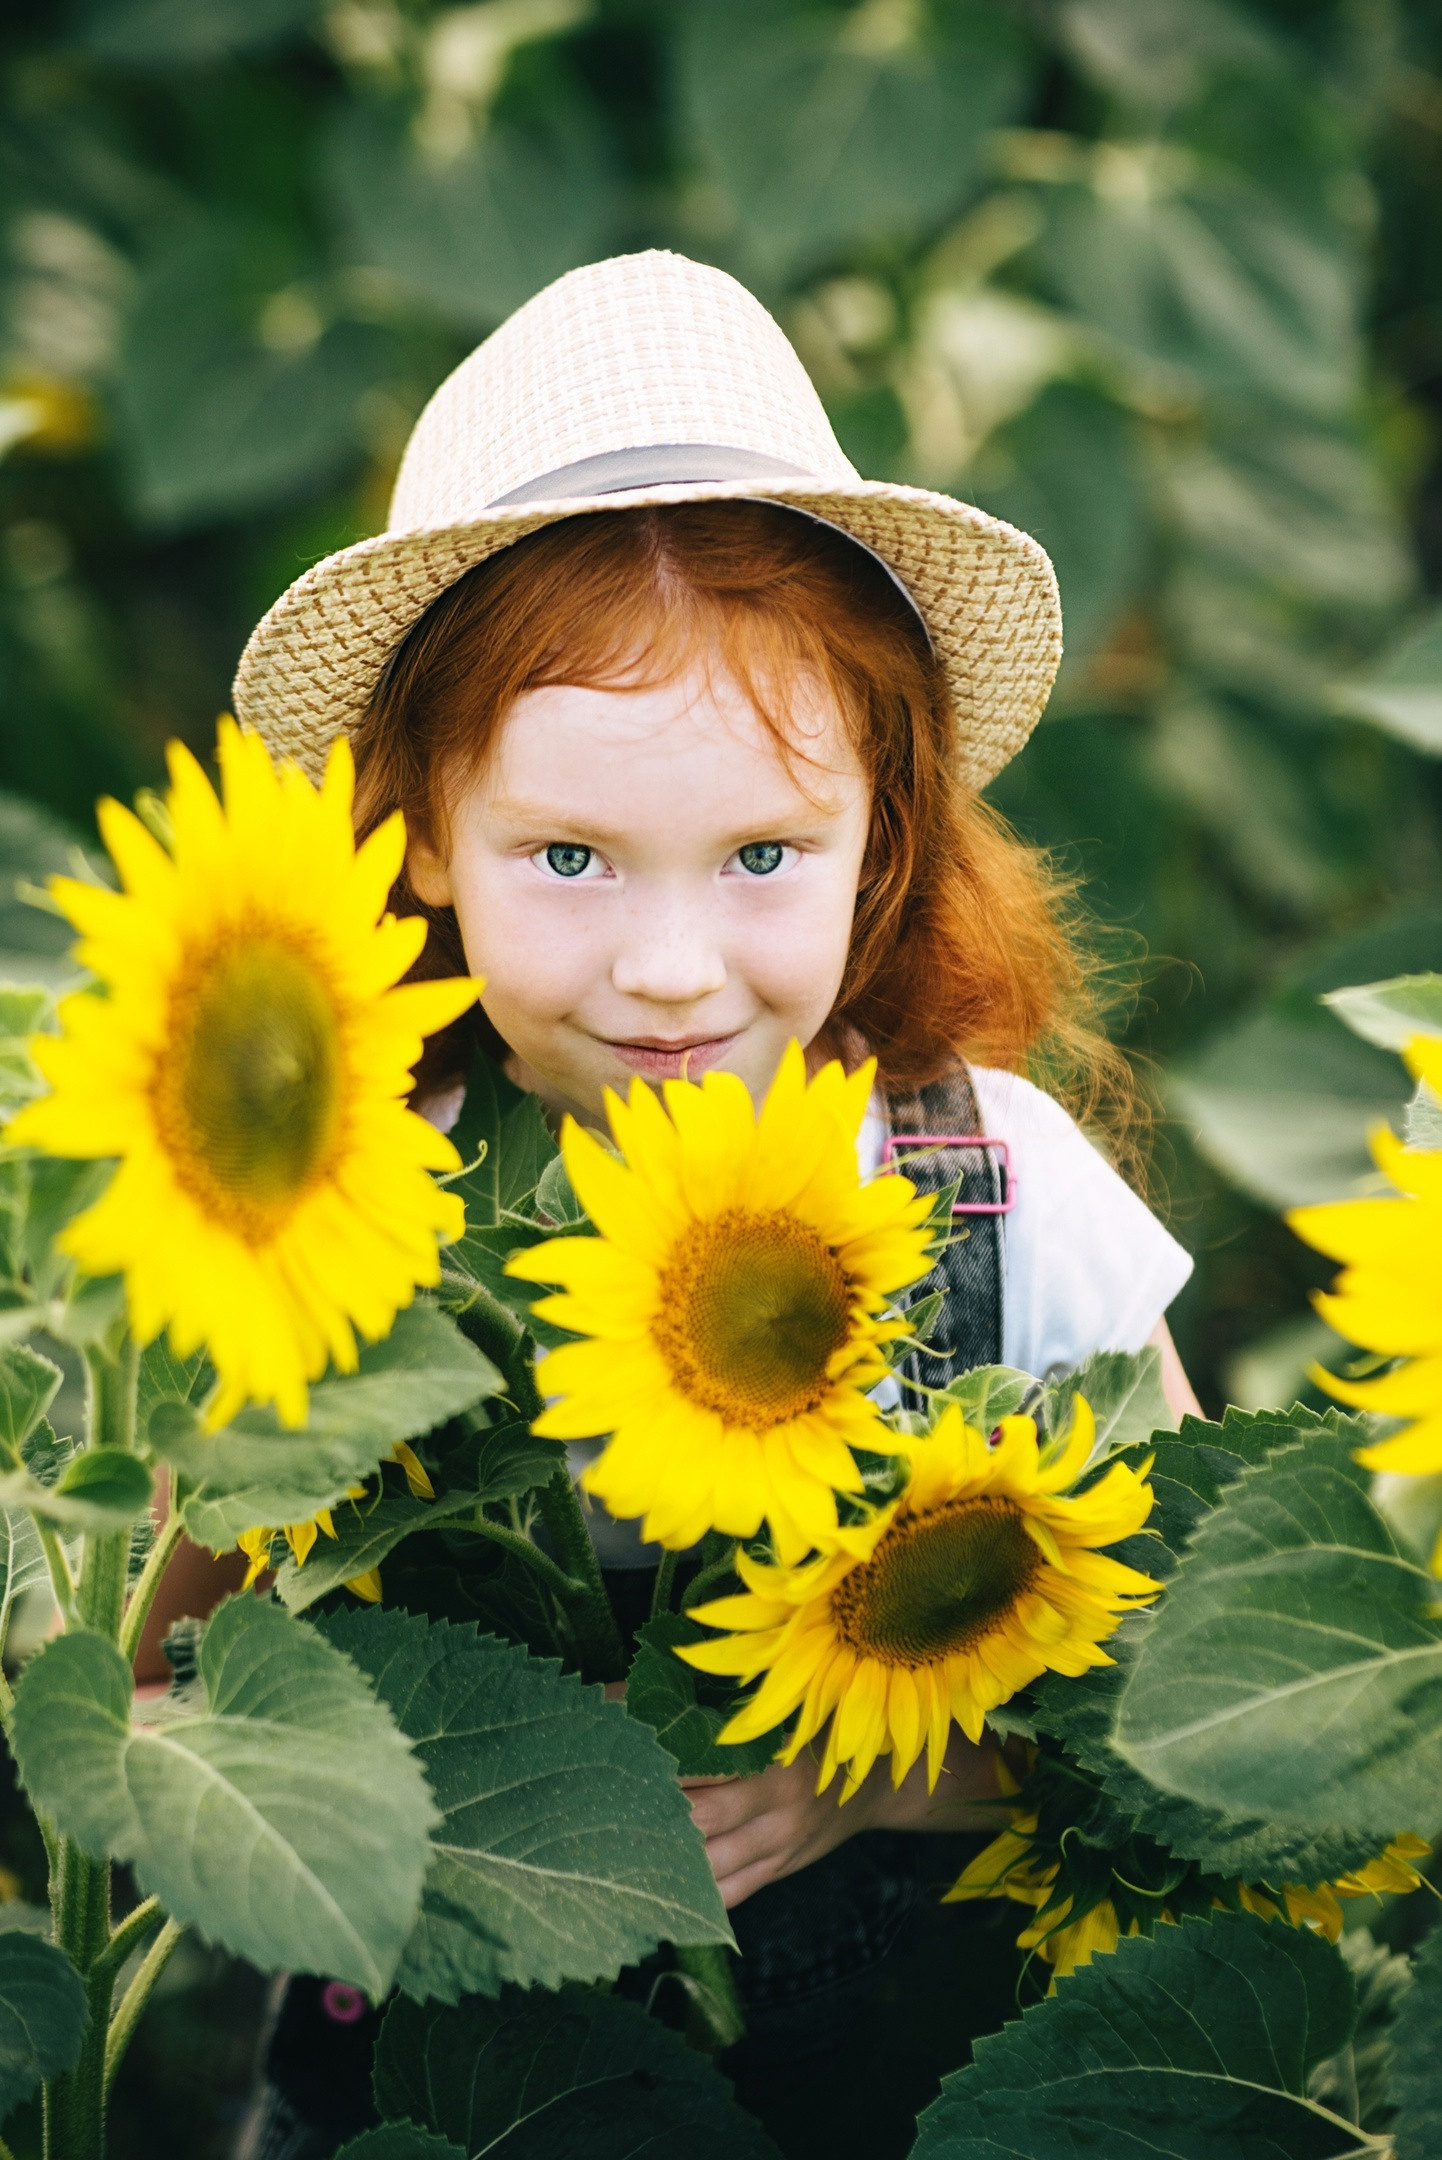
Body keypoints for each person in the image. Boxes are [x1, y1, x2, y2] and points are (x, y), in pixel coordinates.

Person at [226, 250, 1200, 2160]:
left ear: (879, 835)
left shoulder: (983, 1182)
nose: (672, 968)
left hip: (906, 2059)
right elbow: (178, 1649)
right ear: (422, 828)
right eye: (571, 855)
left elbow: (1175, 1710)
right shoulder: (350, 1193)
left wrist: (876, 1780)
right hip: (437, 2060)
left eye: (761, 852)